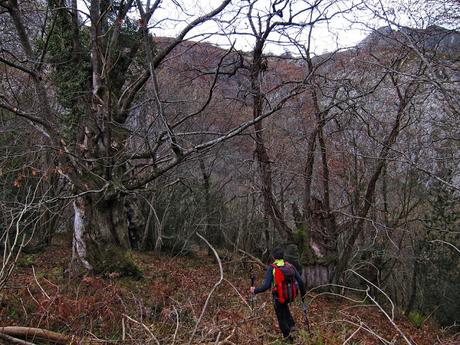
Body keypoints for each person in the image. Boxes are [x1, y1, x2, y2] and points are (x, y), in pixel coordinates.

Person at [250, 247, 306, 342]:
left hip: (278, 297)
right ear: (283, 256)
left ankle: (288, 339)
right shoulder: (290, 266)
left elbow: (266, 286)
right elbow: (300, 282)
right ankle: (293, 330)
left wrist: (255, 290)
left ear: (273, 257)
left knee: (281, 318)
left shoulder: (272, 268)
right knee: (286, 311)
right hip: (289, 296)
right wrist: (303, 297)